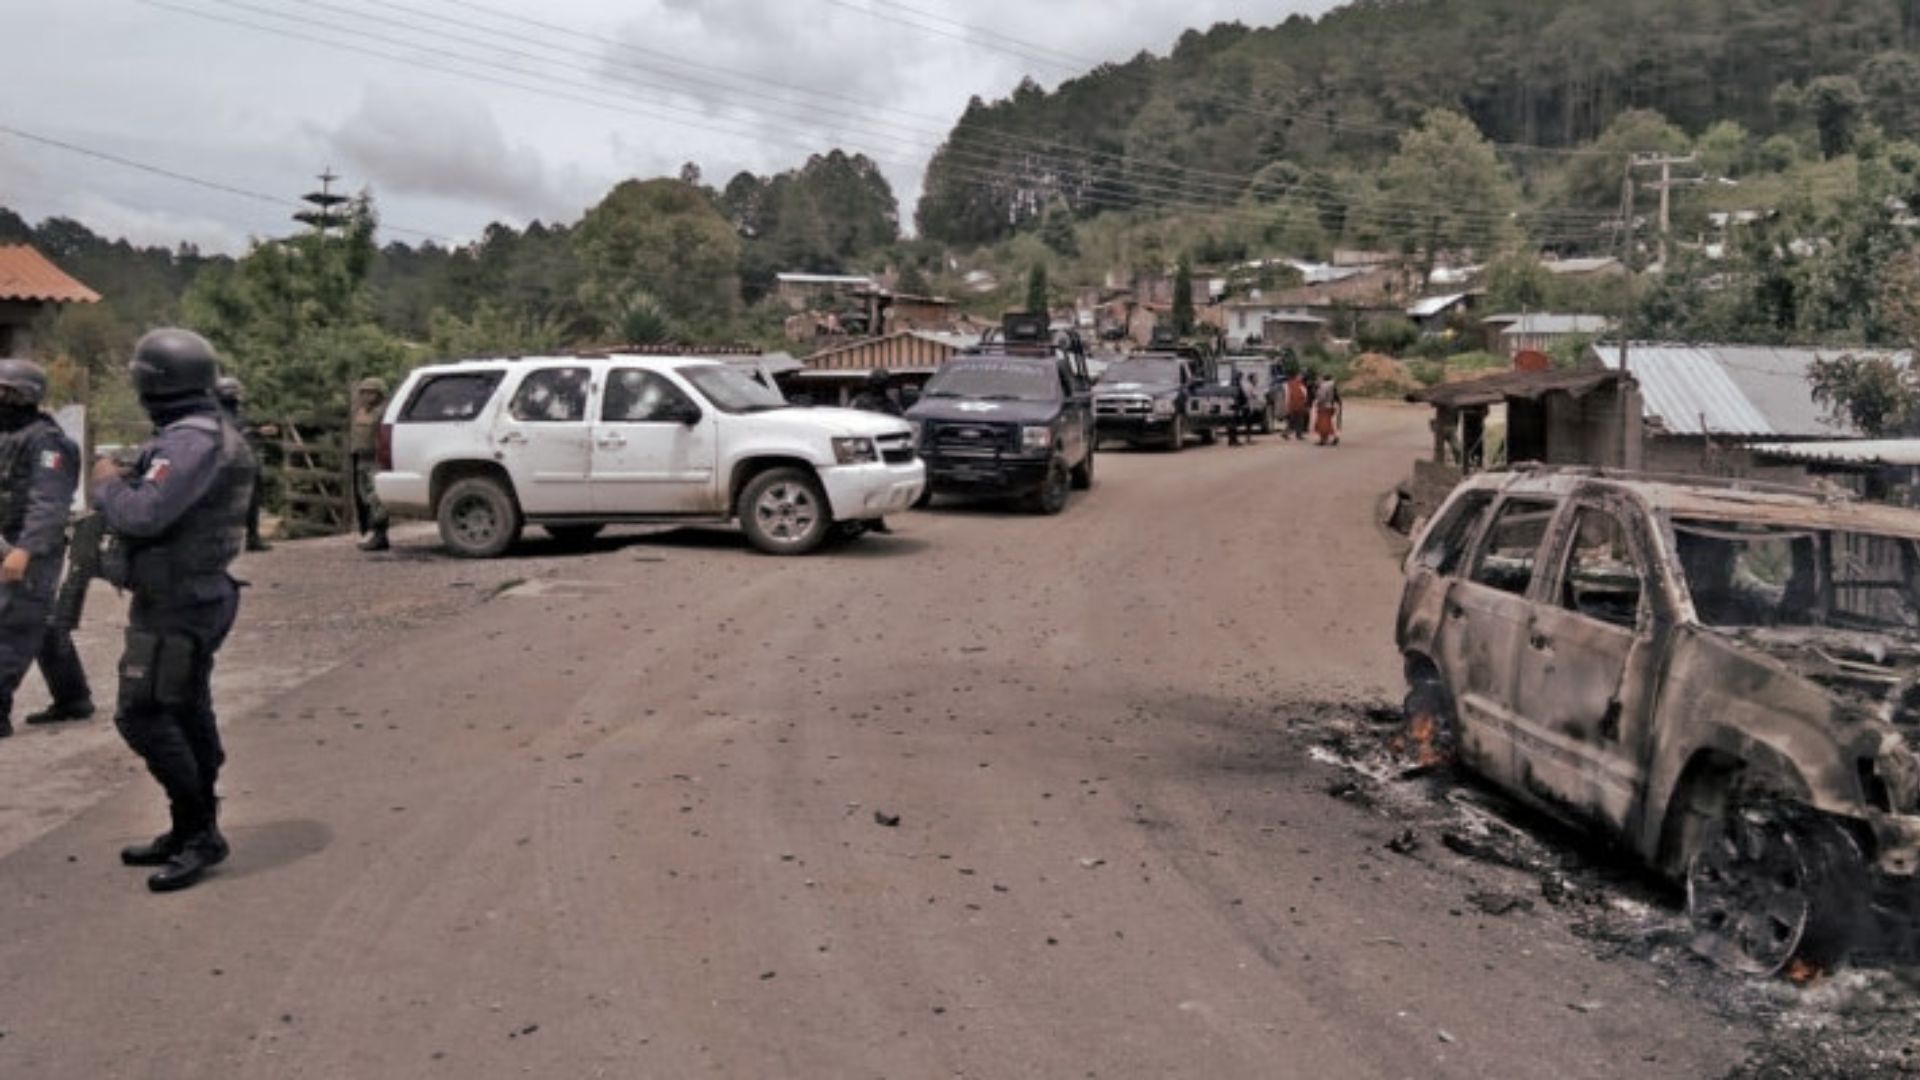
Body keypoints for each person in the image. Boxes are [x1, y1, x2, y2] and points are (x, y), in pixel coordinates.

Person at [93, 328, 257, 892]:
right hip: (194, 594)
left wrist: (107, 485)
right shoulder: (213, 430)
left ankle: (200, 832)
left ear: (151, 383)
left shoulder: (191, 441)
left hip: (179, 602)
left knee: (141, 713)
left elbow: (143, 515)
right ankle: (190, 825)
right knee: (185, 708)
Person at [0, 360, 82, 740]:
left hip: (31, 548)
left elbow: (48, 503)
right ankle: (73, 697)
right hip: (7, 541)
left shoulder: (48, 442)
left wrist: (25, 551)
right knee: (43, 622)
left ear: (22, 395)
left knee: (14, 625)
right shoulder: (9, 435)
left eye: (4, 391)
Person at [215, 376, 271, 552]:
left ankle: (252, 538)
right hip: (233, 461)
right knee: (243, 499)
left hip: (240, 460)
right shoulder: (222, 415)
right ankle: (249, 538)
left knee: (251, 498)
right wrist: (257, 432)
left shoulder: (231, 412)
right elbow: (239, 432)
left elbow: (244, 431)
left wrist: (258, 432)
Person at [349, 377, 389, 552]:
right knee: (363, 495)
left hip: (375, 458)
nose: (367, 396)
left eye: (371, 392)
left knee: (376, 497)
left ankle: (379, 534)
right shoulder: (360, 411)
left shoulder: (383, 412)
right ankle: (368, 531)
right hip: (360, 457)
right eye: (364, 392)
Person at [1313, 373, 1344, 447]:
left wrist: (1317, 402)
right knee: (1326, 423)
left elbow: (1322, 397)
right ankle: (1324, 439)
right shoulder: (1332, 385)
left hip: (1324, 406)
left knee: (1323, 424)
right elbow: (1337, 396)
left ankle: (1331, 438)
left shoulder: (1324, 386)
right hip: (1331, 406)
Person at [1282, 370, 1310, 441]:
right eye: (1300, 376)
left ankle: (1287, 433)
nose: (1301, 377)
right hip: (1298, 405)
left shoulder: (1289, 384)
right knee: (1299, 421)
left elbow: (1287, 395)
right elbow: (1305, 395)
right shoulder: (1301, 385)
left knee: (1292, 420)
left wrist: (1286, 404)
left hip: (1293, 405)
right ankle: (1298, 435)